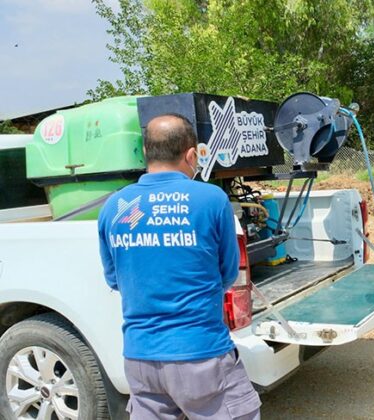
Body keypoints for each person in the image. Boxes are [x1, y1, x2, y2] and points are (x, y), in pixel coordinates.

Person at [98, 114, 261, 419]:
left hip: (140, 359)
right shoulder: (210, 199)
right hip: (201, 355)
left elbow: (115, 278)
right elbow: (227, 273)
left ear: (146, 153)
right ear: (191, 155)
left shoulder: (115, 207)